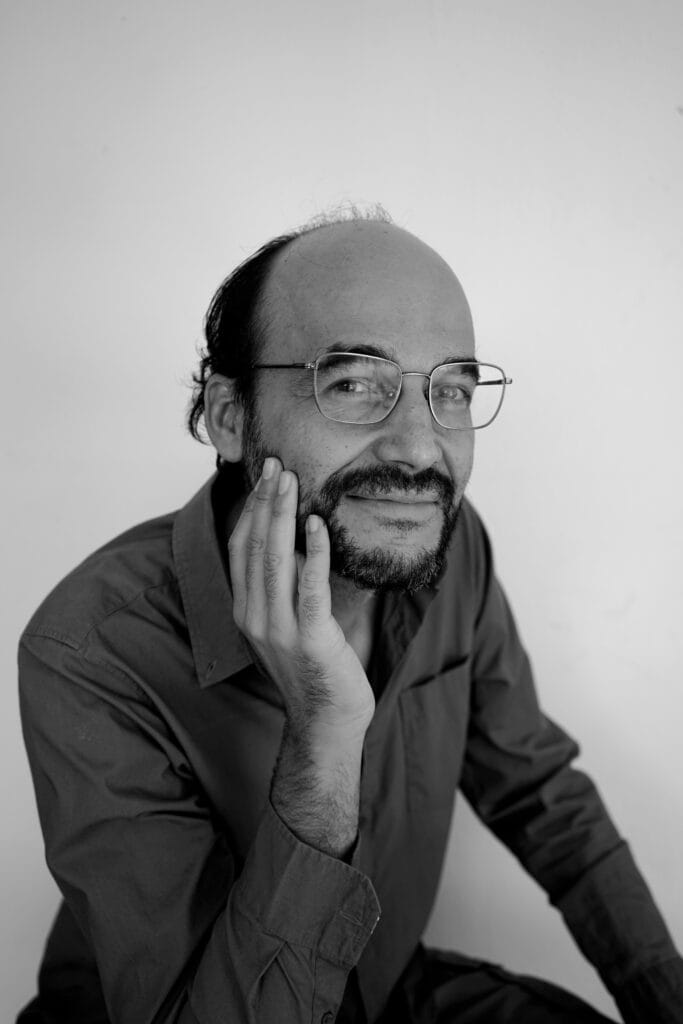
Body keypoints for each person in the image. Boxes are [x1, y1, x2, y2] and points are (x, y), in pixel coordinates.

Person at [17, 209, 683, 1024]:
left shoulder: (448, 549)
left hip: (383, 985)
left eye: (450, 390)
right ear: (229, 416)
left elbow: (538, 794)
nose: (416, 447)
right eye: (353, 384)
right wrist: (324, 733)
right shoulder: (91, 648)